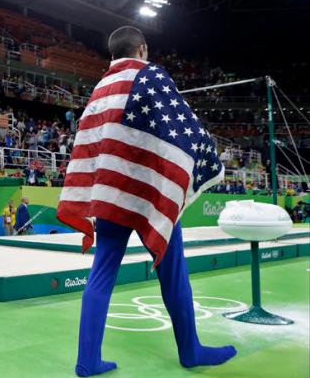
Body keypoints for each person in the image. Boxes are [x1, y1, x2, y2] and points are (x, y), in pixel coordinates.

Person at [57, 26, 236, 376]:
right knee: (173, 275)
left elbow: (88, 145)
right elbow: (184, 129)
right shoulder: (150, 74)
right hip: (149, 194)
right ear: (141, 49)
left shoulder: (99, 90)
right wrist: (209, 161)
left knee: (101, 274)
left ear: (112, 54)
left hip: (109, 195)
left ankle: (87, 359)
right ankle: (191, 351)